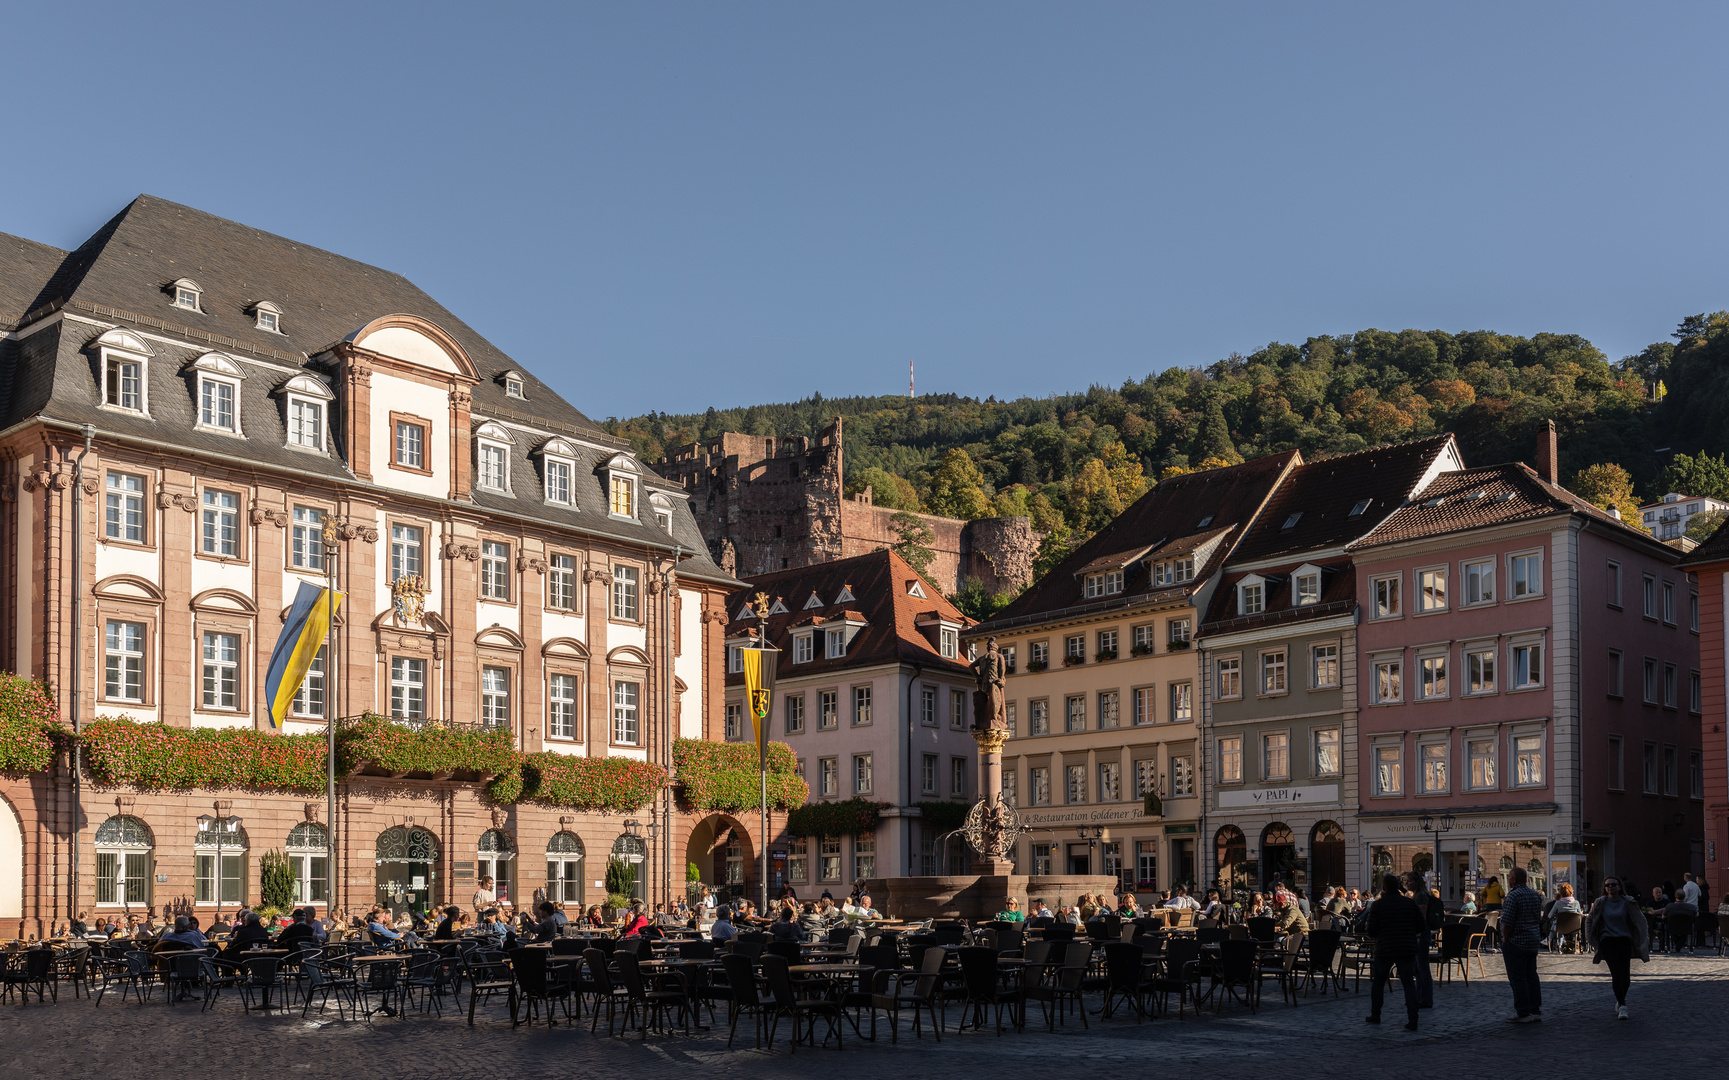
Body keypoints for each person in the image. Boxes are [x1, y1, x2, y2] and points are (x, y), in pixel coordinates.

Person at [1580, 876, 1647, 1020]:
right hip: (1607, 941)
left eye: (1613, 884)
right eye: (1607, 885)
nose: (1610, 887)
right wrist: (1590, 939)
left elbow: (1640, 919)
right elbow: (1590, 920)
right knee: (1616, 974)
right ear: (1604, 888)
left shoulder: (1628, 902)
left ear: (1619, 886)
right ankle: (1623, 1006)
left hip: (1624, 940)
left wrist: (1642, 937)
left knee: (1626, 977)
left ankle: (1620, 998)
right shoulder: (1600, 903)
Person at [1364, 874, 1424, 1030]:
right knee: (1408, 983)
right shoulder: (1409, 903)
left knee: (1378, 982)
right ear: (1398, 886)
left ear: (1384, 887)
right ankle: (1413, 1019)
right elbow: (1421, 926)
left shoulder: (1378, 905)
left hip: (1385, 947)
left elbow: (1371, 930)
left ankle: (1375, 1014)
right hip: (1406, 947)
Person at [1500, 866, 1544, 1023]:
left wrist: (1506, 939)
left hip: (1516, 941)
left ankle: (1523, 1012)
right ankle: (1535, 1009)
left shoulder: (1513, 896)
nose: (1509, 880)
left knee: (1517, 978)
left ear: (1513, 879)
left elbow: (1507, 923)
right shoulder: (1534, 895)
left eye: (1510, 877)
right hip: (1532, 940)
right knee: (1531, 975)